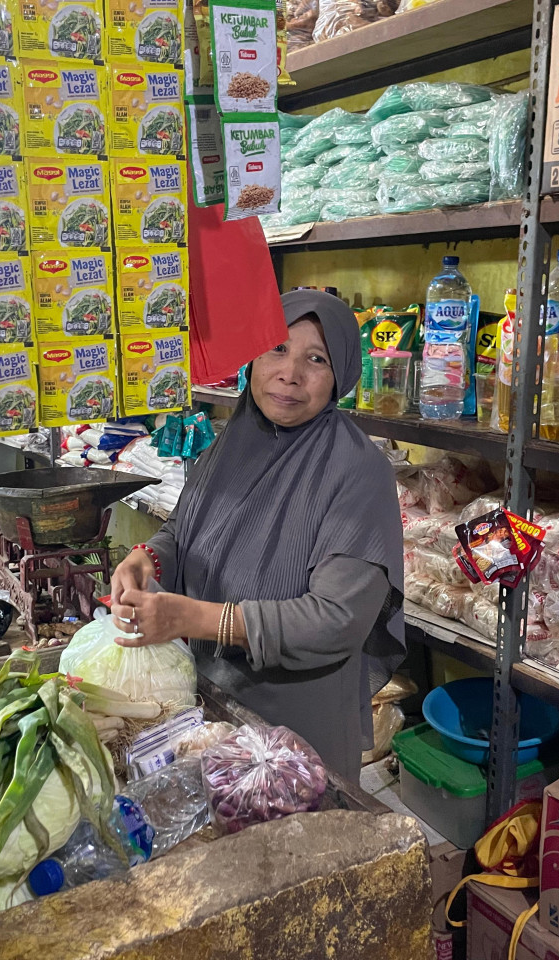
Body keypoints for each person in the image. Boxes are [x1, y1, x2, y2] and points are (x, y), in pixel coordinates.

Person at [109, 289, 405, 779]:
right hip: (210, 701)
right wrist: (148, 557)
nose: (290, 374)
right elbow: (187, 524)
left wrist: (195, 618)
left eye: (316, 359)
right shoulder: (236, 437)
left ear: (340, 378)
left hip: (293, 731)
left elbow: (336, 619)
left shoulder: (358, 470)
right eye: (278, 349)